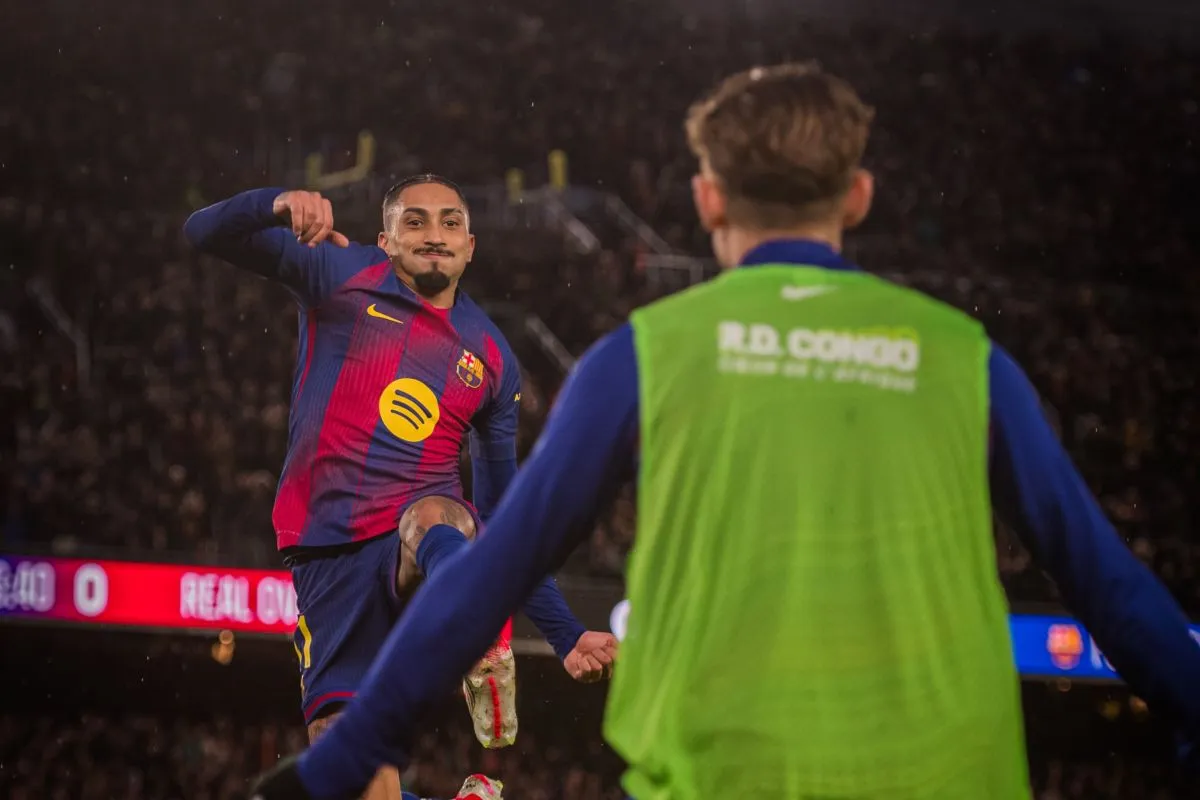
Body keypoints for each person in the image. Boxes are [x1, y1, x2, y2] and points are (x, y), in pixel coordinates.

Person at [246, 65, 1200, 800]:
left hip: (722, 771)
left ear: (707, 200)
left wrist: (344, 760)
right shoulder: (965, 359)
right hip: (950, 775)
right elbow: (1107, 584)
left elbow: (494, 566)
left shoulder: (644, 356)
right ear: (858, 197)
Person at [183, 175, 617, 800]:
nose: (434, 235)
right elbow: (203, 231)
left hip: (425, 545)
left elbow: (504, 516)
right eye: (415, 221)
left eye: (450, 222)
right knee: (352, 777)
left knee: (438, 516)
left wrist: (564, 632)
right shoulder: (338, 272)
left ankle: (475, 625)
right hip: (328, 552)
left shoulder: (492, 358)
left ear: (471, 245)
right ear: (385, 239)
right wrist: (276, 204)